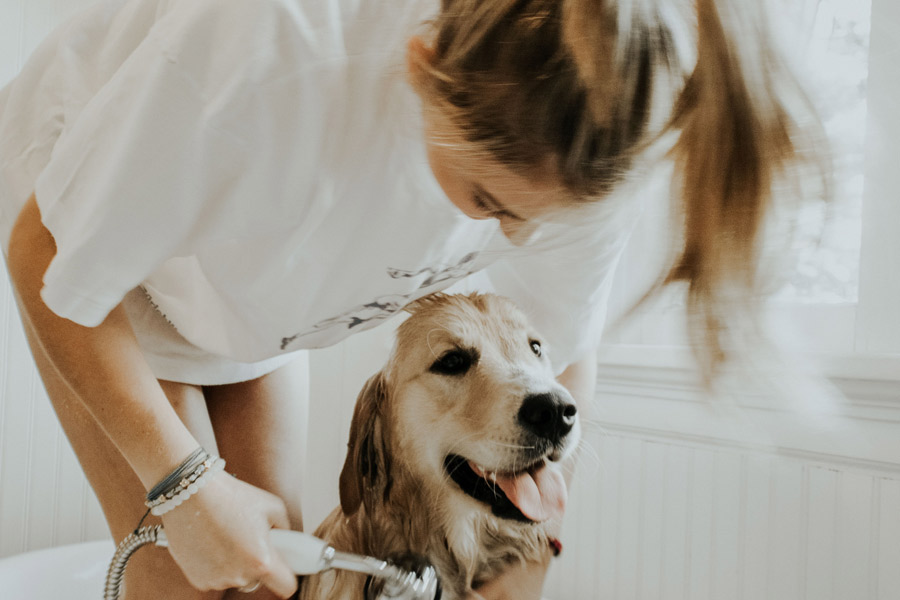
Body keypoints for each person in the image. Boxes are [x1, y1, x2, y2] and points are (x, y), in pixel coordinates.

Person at [0, 0, 816, 598]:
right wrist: (180, 487)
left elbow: (563, 358)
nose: (521, 243)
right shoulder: (271, 51)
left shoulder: (584, 136)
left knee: (278, 578)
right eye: (492, 206)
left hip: (268, 297)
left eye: (543, 219)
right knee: (188, 583)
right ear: (423, 68)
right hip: (101, 255)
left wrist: (526, 551)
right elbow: (46, 255)